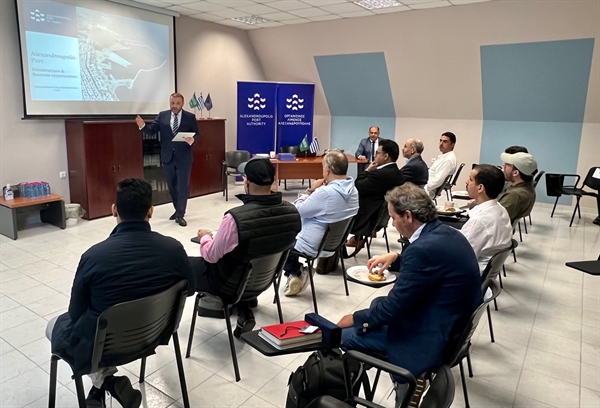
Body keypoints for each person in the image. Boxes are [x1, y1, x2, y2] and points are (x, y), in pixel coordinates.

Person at [46, 179, 196, 408]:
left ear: (114, 210)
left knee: (53, 326)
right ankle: (103, 384)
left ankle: (105, 381)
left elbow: (75, 313)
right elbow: (190, 289)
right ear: (151, 211)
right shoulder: (174, 249)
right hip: (155, 333)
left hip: (106, 346)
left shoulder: (94, 257)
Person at [335, 183, 482, 406]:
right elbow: (430, 266)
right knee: (376, 304)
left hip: (429, 335)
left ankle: (404, 383)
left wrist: (356, 319)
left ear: (408, 216)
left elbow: (393, 309)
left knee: (341, 334)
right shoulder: (448, 233)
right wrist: (397, 258)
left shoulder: (422, 249)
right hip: (452, 324)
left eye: (394, 217)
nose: (392, 223)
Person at [189, 157, 301, 336]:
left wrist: (205, 238)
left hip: (229, 284)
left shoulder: (235, 219)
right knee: (243, 258)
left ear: (246, 181)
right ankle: (244, 309)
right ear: (274, 180)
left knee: (183, 263)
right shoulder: (292, 212)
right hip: (264, 280)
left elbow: (210, 255)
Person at [282, 150, 359, 296]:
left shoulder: (325, 193)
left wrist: (311, 190)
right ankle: (295, 274)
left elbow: (296, 211)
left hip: (312, 245)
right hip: (335, 244)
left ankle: (296, 272)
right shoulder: (354, 191)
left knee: (277, 241)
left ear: (327, 170)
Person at [136, 92, 200, 227]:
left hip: (184, 157)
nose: (174, 106)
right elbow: (152, 130)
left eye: (177, 103)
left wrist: (193, 139)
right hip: (167, 157)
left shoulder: (190, 117)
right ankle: (177, 209)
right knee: (172, 186)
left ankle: (180, 214)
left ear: (182, 104)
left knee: (182, 187)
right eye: (172, 103)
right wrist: (143, 126)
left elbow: (197, 134)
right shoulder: (162, 115)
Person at [346, 139, 404, 249]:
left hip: (365, 217)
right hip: (378, 217)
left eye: (377, 153)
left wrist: (367, 170)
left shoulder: (379, 174)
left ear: (386, 156)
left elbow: (357, 186)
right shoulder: (397, 173)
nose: (374, 155)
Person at [461, 164, 512, 272]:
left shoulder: (479, 221)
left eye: (470, 179)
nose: (466, 182)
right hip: (484, 272)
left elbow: (460, 257)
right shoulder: (501, 209)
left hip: (468, 274)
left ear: (480, 188)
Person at [498, 151, 538, 224]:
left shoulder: (514, 196)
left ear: (515, 173)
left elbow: (493, 219)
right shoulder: (526, 187)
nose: (503, 164)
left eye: (507, 165)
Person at [424, 132, 457, 199]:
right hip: (426, 184)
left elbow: (438, 181)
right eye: (440, 141)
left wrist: (424, 187)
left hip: (429, 190)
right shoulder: (444, 156)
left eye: (445, 141)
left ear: (452, 145)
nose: (441, 144)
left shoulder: (448, 160)